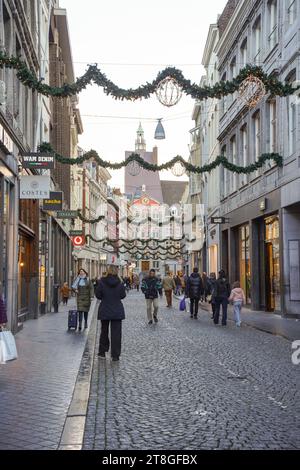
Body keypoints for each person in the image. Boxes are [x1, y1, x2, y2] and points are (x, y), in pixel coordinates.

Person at [95, 265, 126, 361]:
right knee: (116, 333)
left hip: (105, 309)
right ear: (117, 271)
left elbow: (98, 295)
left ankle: (102, 352)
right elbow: (123, 295)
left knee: (104, 331)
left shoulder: (101, 282)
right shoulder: (120, 282)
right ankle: (115, 355)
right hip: (117, 310)